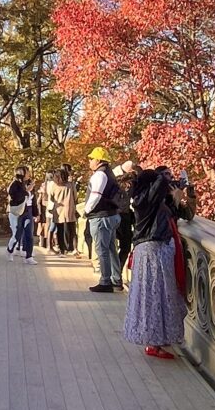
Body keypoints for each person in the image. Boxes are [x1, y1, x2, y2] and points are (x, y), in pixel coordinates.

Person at [123, 169, 189, 359]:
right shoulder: (145, 201)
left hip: (156, 252)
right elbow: (158, 185)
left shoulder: (154, 203)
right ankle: (153, 342)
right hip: (152, 252)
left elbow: (185, 214)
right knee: (154, 296)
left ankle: (158, 339)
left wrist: (180, 195)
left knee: (158, 296)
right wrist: (165, 180)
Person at [84, 147, 123, 292]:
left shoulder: (99, 175)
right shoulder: (109, 173)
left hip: (101, 217)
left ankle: (105, 281)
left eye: (91, 158)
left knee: (102, 249)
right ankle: (116, 279)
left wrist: (87, 210)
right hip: (112, 215)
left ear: (98, 160)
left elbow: (96, 195)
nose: (89, 161)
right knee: (111, 248)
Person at [47, 168, 78, 256]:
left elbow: (51, 198)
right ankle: (71, 248)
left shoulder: (54, 186)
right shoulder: (70, 185)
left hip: (58, 210)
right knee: (71, 230)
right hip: (69, 210)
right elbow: (75, 197)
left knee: (59, 230)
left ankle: (62, 250)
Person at [6, 166, 30, 260]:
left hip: (24, 211)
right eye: (27, 172)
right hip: (15, 211)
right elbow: (14, 197)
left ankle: (25, 252)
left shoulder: (24, 183)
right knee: (16, 233)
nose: (28, 174)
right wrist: (26, 192)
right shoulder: (15, 184)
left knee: (22, 232)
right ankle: (10, 250)